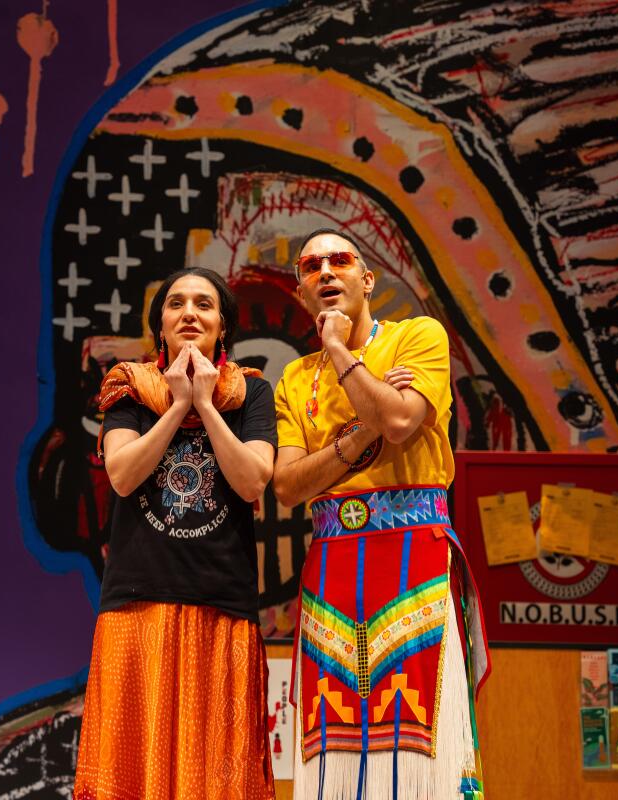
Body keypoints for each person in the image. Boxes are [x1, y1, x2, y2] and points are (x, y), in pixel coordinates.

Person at [273, 229, 490, 799]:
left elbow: (401, 423)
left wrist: (342, 352)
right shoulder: (294, 380)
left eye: (339, 260)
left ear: (367, 280)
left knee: (425, 744)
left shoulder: (420, 336)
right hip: (332, 568)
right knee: (333, 748)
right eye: (311, 265)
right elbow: (288, 486)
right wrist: (363, 430)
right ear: (300, 290)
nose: (325, 271)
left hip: (415, 555)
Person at [73, 268, 276, 800]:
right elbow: (122, 474)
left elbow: (253, 480)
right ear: (159, 326)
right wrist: (178, 403)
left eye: (204, 305)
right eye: (176, 303)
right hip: (137, 606)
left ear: (222, 328)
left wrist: (206, 404)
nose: (190, 312)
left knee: (214, 782)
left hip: (220, 607)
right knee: (130, 776)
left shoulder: (252, 393)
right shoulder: (129, 386)